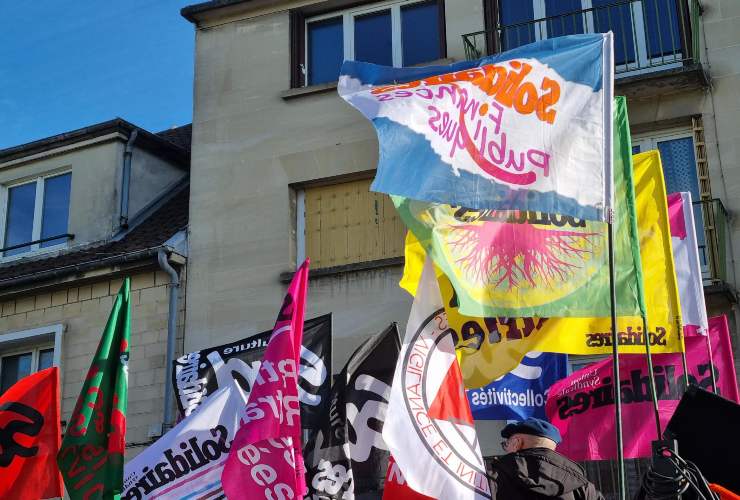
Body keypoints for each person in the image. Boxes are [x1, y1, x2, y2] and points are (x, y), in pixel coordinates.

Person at [488, 417, 605, 500]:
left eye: (506, 444)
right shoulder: (582, 486)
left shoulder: (494, 478)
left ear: (517, 443)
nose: (505, 449)